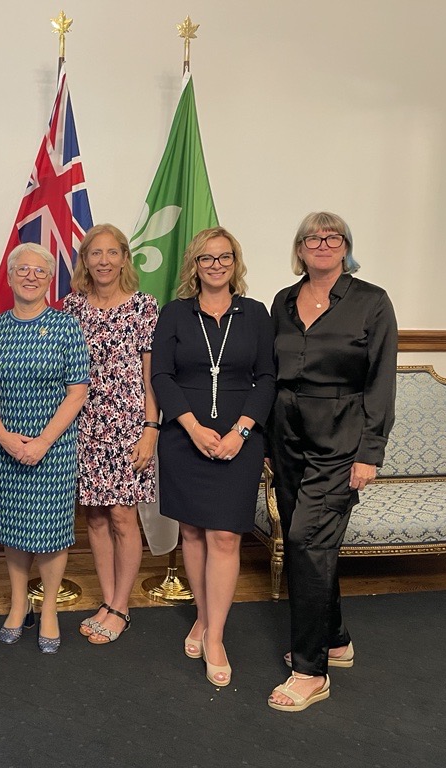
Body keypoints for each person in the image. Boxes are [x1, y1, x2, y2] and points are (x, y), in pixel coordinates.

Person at [266, 212, 397, 712]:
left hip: (340, 443)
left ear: (345, 246)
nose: (323, 244)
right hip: (286, 440)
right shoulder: (281, 301)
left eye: (333, 237)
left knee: (305, 540)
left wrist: (370, 452)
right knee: (313, 545)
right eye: (312, 238)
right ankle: (336, 639)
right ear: (299, 249)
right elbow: (271, 374)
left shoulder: (371, 302)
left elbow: (381, 381)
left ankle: (310, 670)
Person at [151, 227, 275, 687]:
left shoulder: (256, 314)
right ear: (195, 266)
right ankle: (202, 618)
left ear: (235, 263)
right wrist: (192, 426)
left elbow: (267, 379)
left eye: (225, 257)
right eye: (207, 258)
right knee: (193, 533)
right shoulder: (175, 313)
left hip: (240, 440)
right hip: (185, 438)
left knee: (225, 536)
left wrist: (241, 431)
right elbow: (161, 376)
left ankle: (217, 636)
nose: (217, 265)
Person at [0, 243, 89, 653]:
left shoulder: (66, 327)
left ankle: (50, 610)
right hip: (5, 445)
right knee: (13, 529)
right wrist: (6, 438)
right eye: (22, 269)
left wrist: (43, 441)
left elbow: (78, 391)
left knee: (53, 532)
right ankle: (18, 603)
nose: (30, 276)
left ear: (49, 279)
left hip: (54, 447)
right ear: (9, 276)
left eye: (39, 271)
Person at [62, 224, 158, 645]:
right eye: (94, 253)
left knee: (122, 515)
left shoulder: (144, 307)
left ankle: (122, 605)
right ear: (85, 260)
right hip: (83, 424)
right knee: (95, 516)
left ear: (124, 258)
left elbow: (151, 377)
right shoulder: (71, 308)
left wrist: (151, 429)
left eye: (111, 253)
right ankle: (107, 599)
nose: (103, 261)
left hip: (128, 425)